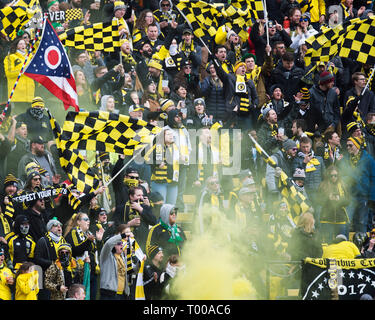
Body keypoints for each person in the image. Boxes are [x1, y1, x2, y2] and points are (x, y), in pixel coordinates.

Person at [64, 212, 102, 300]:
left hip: (92, 271)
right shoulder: (73, 232)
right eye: (85, 219)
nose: (88, 221)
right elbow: (76, 250)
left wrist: (99, 240)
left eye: (88, 219)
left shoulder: (89, 233)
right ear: (78, 222)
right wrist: (88, 241)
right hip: (80, 272)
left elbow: (95, 252)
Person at [344, 136, 375, 233]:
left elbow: (373, 179)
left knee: (362, 223)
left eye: (350, 145)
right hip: (350, 196)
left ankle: (362, 246)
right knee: (347, 221)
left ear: (357, 145)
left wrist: (372, 198)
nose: (348, 148)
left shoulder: (368, 159)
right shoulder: (345, 160)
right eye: (347, 146)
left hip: (363, 197)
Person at [112, 186, 157, 252]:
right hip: (126, 242)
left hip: (142, 242)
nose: (141, 197)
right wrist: (129, 224)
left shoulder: (145, 207)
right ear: (131, 196)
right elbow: (116, 226)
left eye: (142, 195)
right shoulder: (121, 208)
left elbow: (153, 221)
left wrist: (140, 209)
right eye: (138, 195)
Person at [144, 128, 180, 205]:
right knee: (160, 205)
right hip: (159, 181)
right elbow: (146, 158)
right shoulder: (157, 146)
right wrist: (157, 163)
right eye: (168, 134)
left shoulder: (175, 148)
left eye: (172, 134)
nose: (171, 136)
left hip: (173, 181)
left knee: (171, 206)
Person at [317, 166, 350, 242]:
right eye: (331, 175)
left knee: (342, 243)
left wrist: (339, 199)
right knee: (327, 242)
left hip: (340, 218)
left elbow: (348, 200)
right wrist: (328, 199)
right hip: (326, 218)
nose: (333, 177)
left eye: (335, 175)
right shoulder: (323, 185)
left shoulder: (343, 185)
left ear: (338, 176)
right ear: (328, 176)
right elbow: (318, 200)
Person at [99, 227, 130, 300]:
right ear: (113, 246)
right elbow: (108, 244)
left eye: (122, 243)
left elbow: (130, 271)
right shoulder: (106, 255)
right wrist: (122, 236)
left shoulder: (122, 256)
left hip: (122, 295)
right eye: (119, 243)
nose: (121, 245)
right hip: (108, 294)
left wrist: (139, 264)